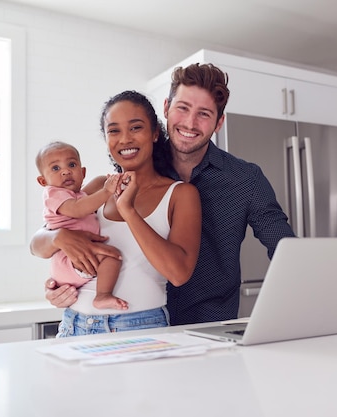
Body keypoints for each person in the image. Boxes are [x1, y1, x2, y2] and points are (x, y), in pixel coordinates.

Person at [41, 63, 296, 325]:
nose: (189, 123)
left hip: (206, 323)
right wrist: (61, 271)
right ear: (166, 109)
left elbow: (286, 252)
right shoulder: (133, 168)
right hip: (132, 320)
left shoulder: (244, 179)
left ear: (219, 122)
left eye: (204, 114)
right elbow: (55, 230)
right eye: (182, 108)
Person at [30, 90, 202, 336]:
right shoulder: (98, 186)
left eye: (135, 128)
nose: (125, 139)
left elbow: (179, 274)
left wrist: (128, 211)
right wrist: (58, 241)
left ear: (155, 133)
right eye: (114, 131)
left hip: (140, 328)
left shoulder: (180, 194)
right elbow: (36, 244)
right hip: (74, 324)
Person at [35, 141, 127, 310]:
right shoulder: (54, 194)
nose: (66, 171)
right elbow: (78, 209)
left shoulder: (80, 194)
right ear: (43, 180)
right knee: (112, 256)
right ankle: (102, 296)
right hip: (68, 259)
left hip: (74, 260)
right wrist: (107, 192)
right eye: (55, 168)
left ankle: (102, 295)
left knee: (110, 256)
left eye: (72, 164)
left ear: (83, 172)